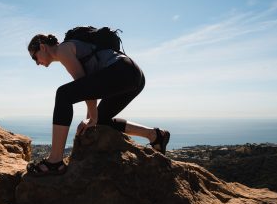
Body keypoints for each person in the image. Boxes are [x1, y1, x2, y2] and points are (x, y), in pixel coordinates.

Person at [26, 33, 170, 176]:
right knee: (100, 122)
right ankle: (155, 135)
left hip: (122, 71)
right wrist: (92, 119)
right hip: (133, 75)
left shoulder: (63, 50)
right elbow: (89, 87)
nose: (37, 63)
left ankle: (55, 162)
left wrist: (91, 117)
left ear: (43, 47)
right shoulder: (70, 49)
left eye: (34, 57)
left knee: (63, 95)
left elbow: (84, 86)